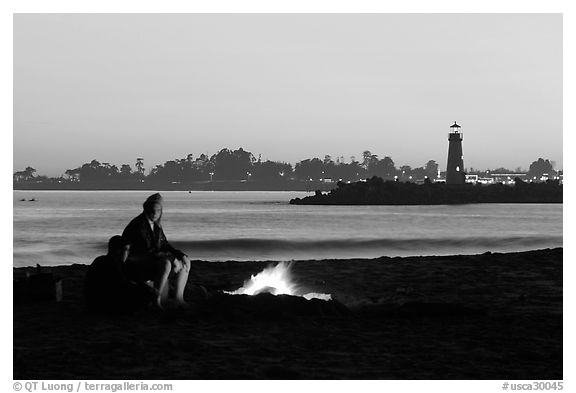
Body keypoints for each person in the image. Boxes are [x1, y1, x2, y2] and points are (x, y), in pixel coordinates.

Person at [122, 193, 191, 308]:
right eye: (152, 210)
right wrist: (171, 258)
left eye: (158, 210)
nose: (155, 213)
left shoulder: (156, 226)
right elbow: (145, 250)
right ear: (146, 209)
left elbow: (164, 245)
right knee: (166, 264)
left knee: (185, 263)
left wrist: (181, 255)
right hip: (137, 260)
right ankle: (156, 300)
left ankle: (178, 299)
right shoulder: (139, 225)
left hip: (151, 257)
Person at [85, 235, 156, 313]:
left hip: (90, 303)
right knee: (146, 294)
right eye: (126, 250)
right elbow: (123, 285)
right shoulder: (111, 264)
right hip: (101, 305)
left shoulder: (101, 260)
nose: (128, 253)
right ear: (118, 250)